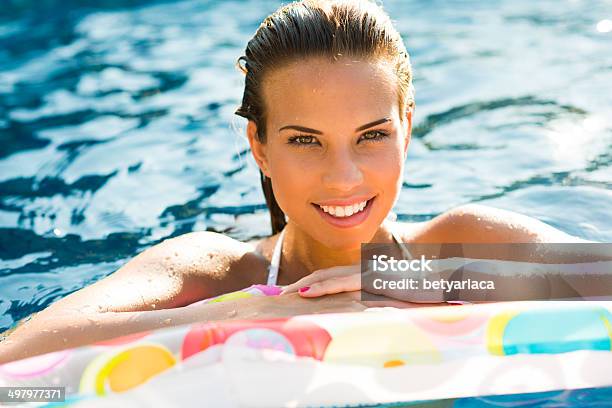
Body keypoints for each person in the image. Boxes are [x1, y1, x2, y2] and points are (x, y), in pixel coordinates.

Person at [0, 0, 598, 364]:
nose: (344, 177)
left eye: (372, 135)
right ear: (259, 145)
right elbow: (22, 349)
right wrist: (249, 315)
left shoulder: (461, 239)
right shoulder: (215, 271)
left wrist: (413, 277)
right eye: (305, 140)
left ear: (407, 129)